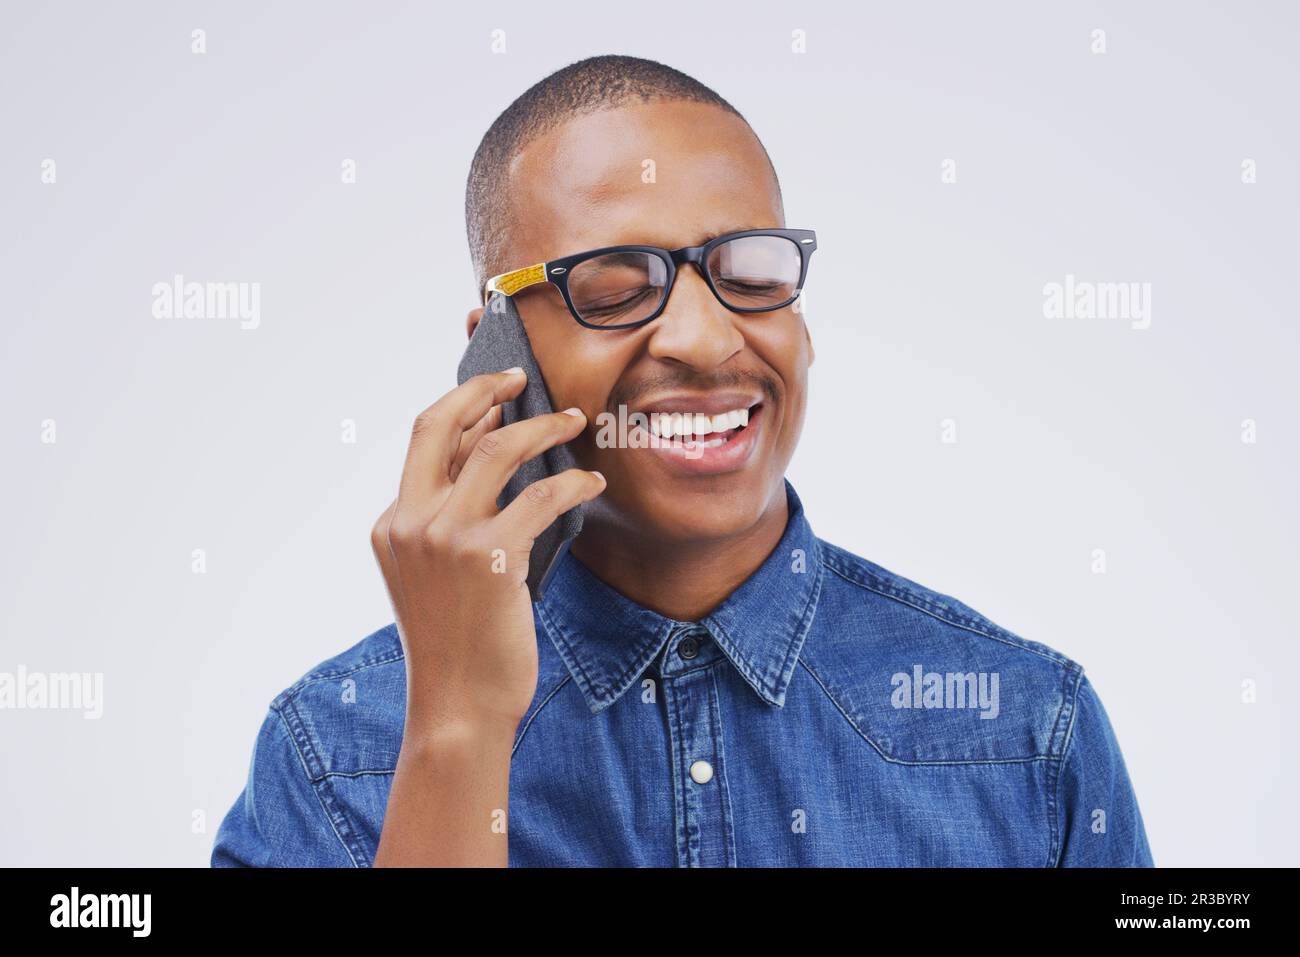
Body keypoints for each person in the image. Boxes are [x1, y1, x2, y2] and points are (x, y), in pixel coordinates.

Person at [211, 54, 1153, 867]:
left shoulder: (1028, 730)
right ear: (498, 354)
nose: (706, 340)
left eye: (750, 277)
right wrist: (456, 728)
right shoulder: (333, 755)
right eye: (614, 288)